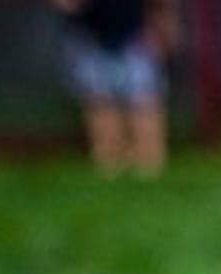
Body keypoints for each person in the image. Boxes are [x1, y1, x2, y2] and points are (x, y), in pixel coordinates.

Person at [49, 0, 176, 176]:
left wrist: (163, 29)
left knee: (143, 100)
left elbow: (161, 5)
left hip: (136, 37)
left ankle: (148, 163)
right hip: (91, 38)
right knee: (101, 102)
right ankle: (109, 163)